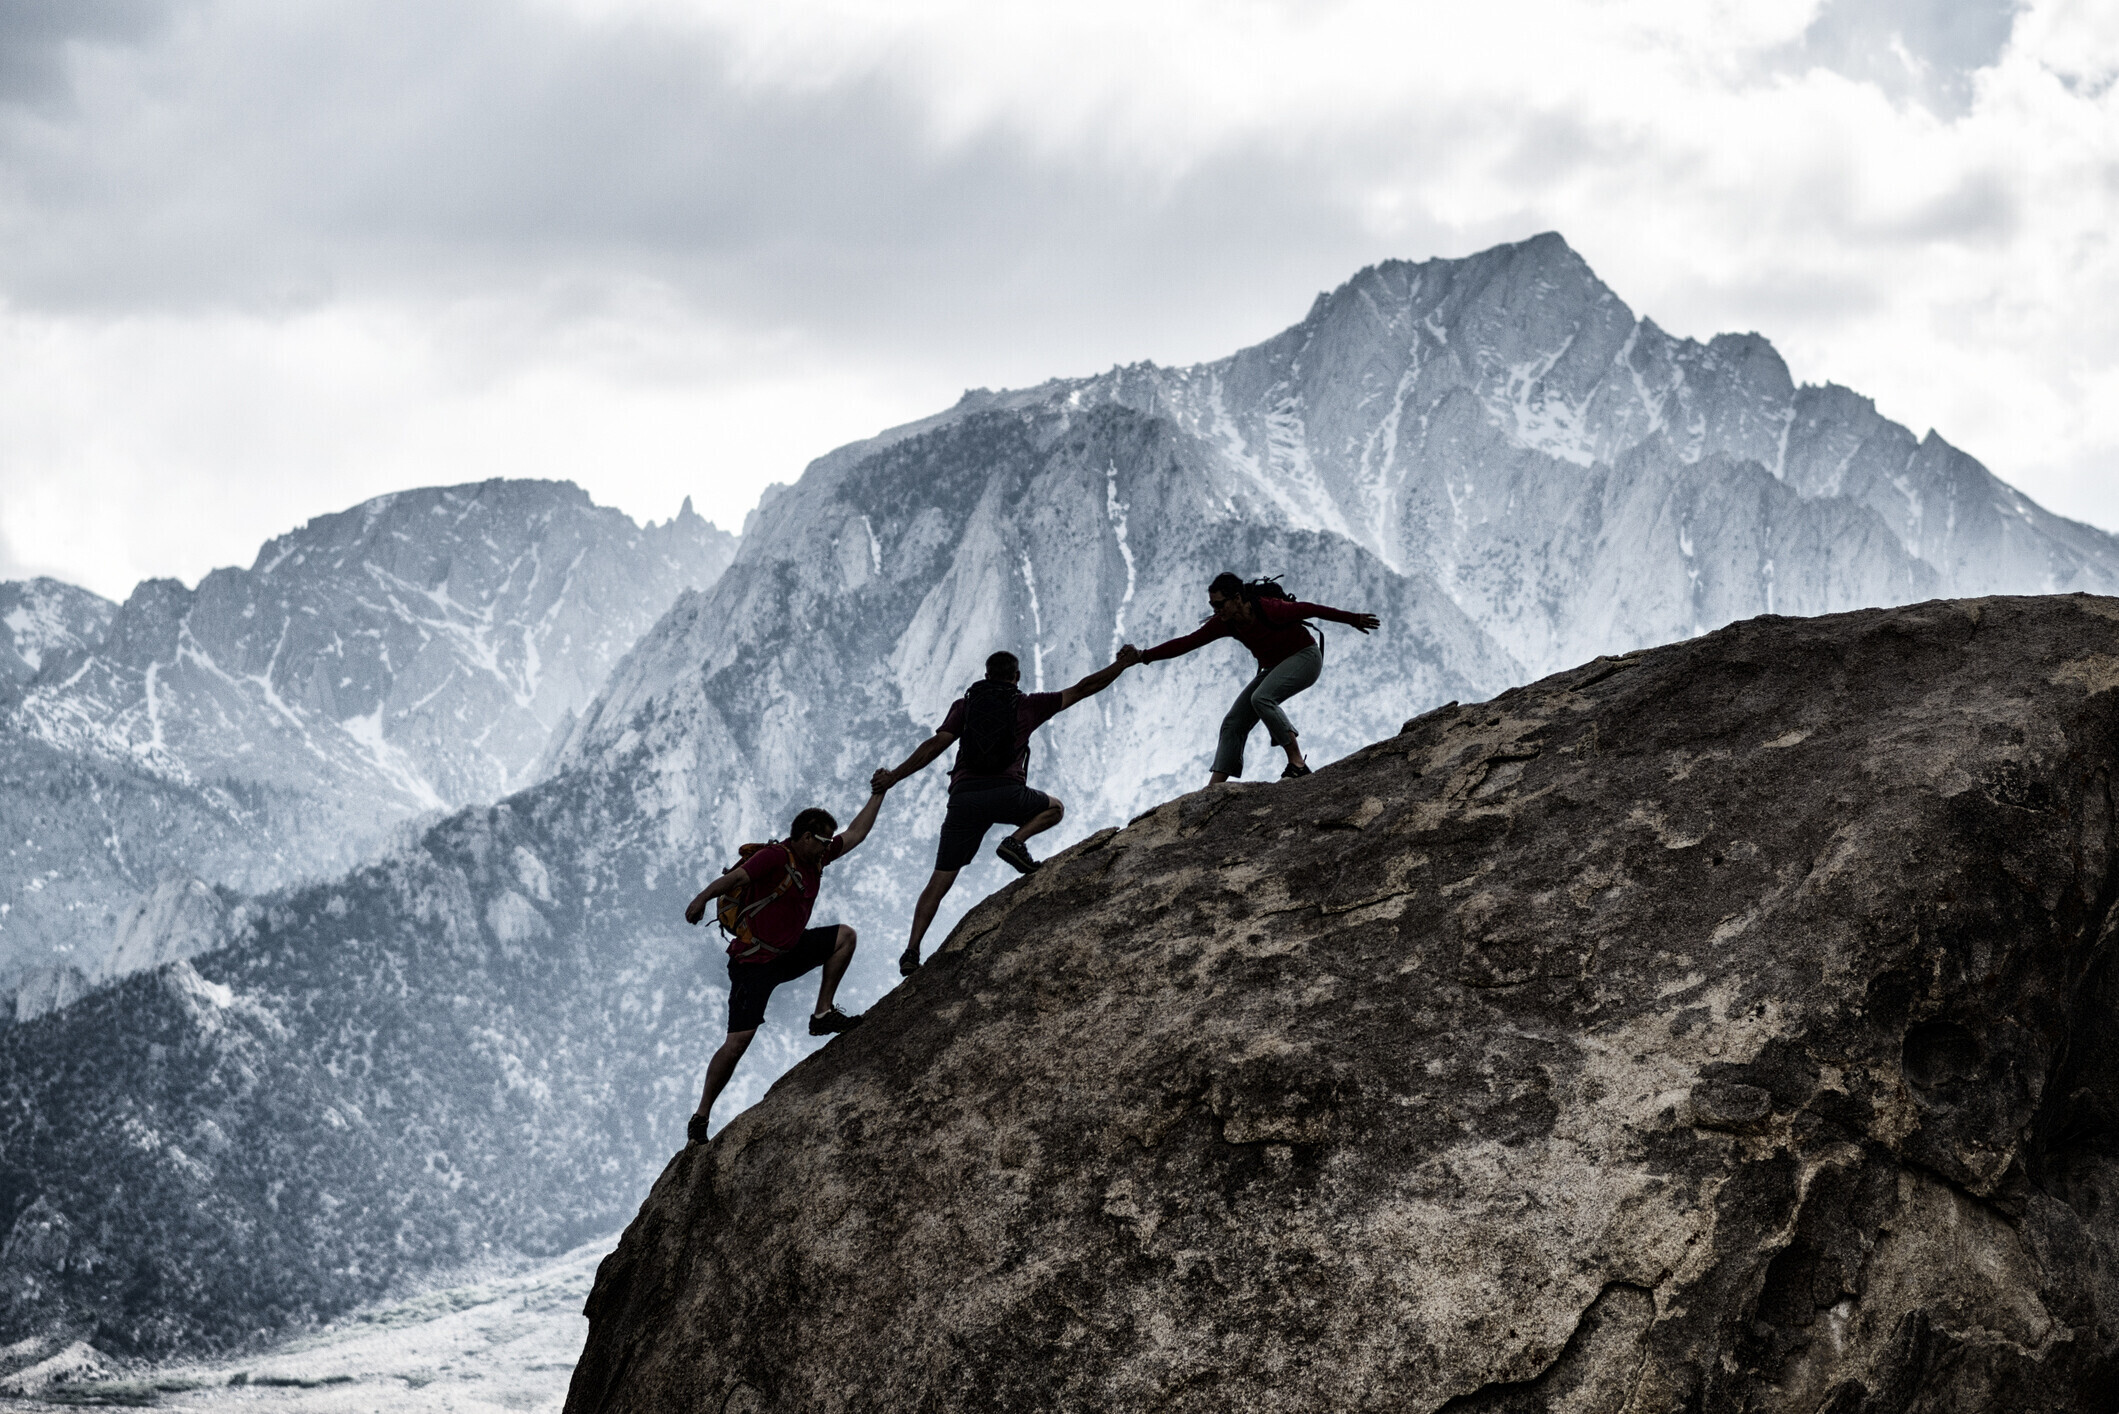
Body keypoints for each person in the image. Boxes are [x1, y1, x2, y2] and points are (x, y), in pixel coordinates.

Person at [873, 649, 1131, 976]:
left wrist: (894, 775)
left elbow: (934, 746)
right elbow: (1082, 688)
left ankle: (912, 950)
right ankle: (1016, 841)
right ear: (1016, 676)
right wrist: (1121, 664)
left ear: (986, 674)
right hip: (1008, 792)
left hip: (964, 799)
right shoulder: (1026, 704)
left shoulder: (965, 706)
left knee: (939, 879)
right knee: (1055, 808)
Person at [679, 788, 886, 1144]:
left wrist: (879, 794)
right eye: (822, 840)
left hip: (788, 950)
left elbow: (855, 834)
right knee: (737, 1043)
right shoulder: (777, 856)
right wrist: (701, 899)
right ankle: (701, 1116)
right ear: (806, 836)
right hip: (753, 964)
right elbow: (735, 879)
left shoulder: (816, 859)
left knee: (844, 938)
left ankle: (822, 1014)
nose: (827, 846)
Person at [1118, 573, 1379, 784]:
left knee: (1262, 698)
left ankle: (1297, 763)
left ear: (1238, 598)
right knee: (1233, 722)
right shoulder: (1225, 622)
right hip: (1274, 667)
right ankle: (1214, 790)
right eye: (1212, 605)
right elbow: (1188, 642)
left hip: (1306, 658)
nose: (1216, 610)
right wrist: (1143, 655)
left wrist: (1352, 619)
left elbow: (1311, 609)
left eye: (1220, 604)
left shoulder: (1269, 609)